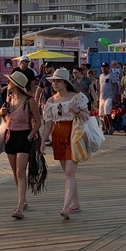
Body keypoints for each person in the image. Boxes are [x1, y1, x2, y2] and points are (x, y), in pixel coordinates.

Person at [39, 68, 89, 219]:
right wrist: (43, 142)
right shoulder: (50, 101)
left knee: (69, 172)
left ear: (66, 83)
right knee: (67, 173)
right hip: (57, 135)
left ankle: (66, 207)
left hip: (73, 134)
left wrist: (77, 111)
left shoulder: (77, 97)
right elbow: (48, 124)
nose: (55, 83)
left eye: (58, 81)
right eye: (53, 81)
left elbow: (87, 117)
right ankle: (76, 203)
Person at [0, 70, 41, 220]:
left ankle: (19, 207)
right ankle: (22, 200)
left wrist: (30, 137)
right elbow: (2, 115)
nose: (7, 84)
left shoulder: (29, 101)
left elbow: (38, 122)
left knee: (20, 172)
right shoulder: (9, 99)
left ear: (16, 85)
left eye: (10, 82)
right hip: (10, 136)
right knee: (14, 172)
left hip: (24, 136)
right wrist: (2, 112)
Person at [97, 62, 118, 136]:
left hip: (110, 96)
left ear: (108, 68)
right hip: (102, 96)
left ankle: (111, 126)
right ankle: (106, 128)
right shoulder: (100, 76)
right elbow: (99, 86)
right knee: (102, 114)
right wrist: (98, 96)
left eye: (105, 67)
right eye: (102, 67)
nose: (103, 69)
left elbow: (115, 86)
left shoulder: (111, 75)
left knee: (107, 111)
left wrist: (115, 96)